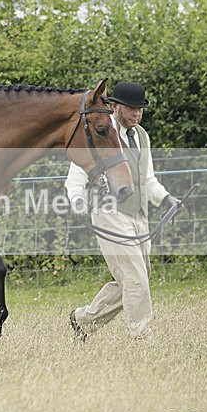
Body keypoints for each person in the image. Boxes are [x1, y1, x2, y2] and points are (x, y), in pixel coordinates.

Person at [65, 81, 179, 341]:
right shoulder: (101, 132)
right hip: (109, 213)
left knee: (136, 277)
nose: (137, 113)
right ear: (115, 107)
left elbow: (148, 179)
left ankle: (83, 320)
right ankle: (142, 335)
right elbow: (76, 176)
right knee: (135, 277)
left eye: (140, 108)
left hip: (139, 215)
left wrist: (166, 199)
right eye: (131, 108)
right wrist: (77, 201)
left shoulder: (142, 136)